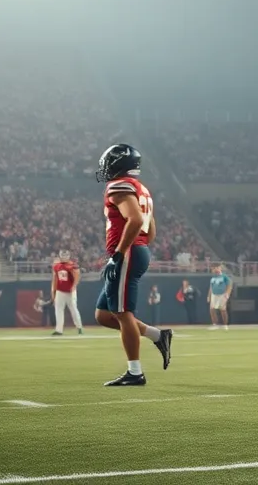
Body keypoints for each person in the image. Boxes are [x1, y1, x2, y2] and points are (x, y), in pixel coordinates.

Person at [93, 144, 173, 386]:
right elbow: (150, 230)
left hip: (127, 253)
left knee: (122, 313)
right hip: (137, 250)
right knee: (104, 315)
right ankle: (158, 335)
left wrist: (119, 253)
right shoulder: (142, 189)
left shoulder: (118, 186)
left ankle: (135, 372)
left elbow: (136, 220)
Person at [51, 250, 83, 336]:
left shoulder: (73, 265)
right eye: (62, 255)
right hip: (60, 290)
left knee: (73, 309)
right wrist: (53, 291)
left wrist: (73, 286)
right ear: (60, 256)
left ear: (69, 256)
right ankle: (59, 330)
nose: (64, 257)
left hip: (70, 291)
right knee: (58, 309)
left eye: (65, 255)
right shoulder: (56, 266)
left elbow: (77, 276)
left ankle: (79, 327)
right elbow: (55, 279)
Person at [208, 265, 232, 330]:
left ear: (220, 268)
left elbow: (229, 285)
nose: (216, 269)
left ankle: (225, 325)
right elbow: (211, 287)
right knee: (212, 309)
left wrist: (227, 294)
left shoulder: (224, 276)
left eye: (217, 268)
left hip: (222, 294)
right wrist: (209, 296)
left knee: (223, 309)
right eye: (214, 268)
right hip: (214, 294)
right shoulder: (213, 277)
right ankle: (215, 324)